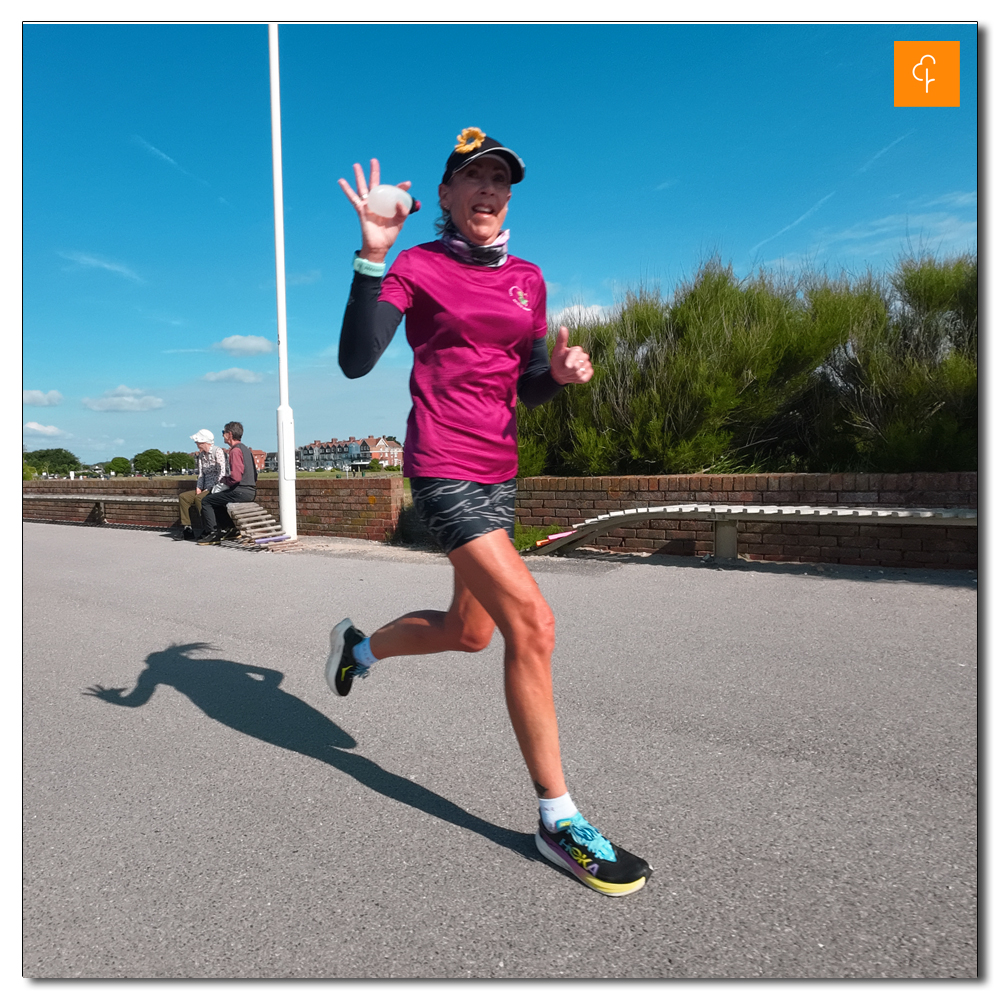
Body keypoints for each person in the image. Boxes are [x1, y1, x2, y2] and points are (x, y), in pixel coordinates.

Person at [329, 128, 651, 896]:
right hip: (441, 470)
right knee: (532, 625)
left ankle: (357, 651)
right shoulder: (418, 264)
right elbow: (355, 358)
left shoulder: (529, 279)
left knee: (469, 633)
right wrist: (373, 253)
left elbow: (528, 381)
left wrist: (562, 375)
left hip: (500, 473)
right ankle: (558, 819)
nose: (488, 190)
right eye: (472, 177)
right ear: (444, 195)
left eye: (500, 180)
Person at [197, 421, 258, 545]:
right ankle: (231, 529)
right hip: (250, 490)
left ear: (229, 434)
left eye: (223, 433)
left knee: (207, 501)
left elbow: (235, 477)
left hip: (240, 491)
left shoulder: (235, 451)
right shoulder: (246, 449)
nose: (222, 435)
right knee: (217, 500)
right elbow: (255, 474)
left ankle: (213, 532)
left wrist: (225, 480)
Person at [177, 429, 227, 540]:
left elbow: (222, 473)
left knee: (200, 499)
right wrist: (199, 487)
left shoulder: (217, 451)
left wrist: (210, 488)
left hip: (216, 487)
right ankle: (187, 528)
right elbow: (201, 474)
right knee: (184, 497)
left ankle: (208, 528)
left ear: (204, 442)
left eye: (197, 442)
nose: (196, 444)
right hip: (205, 487)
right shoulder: (201, 456)